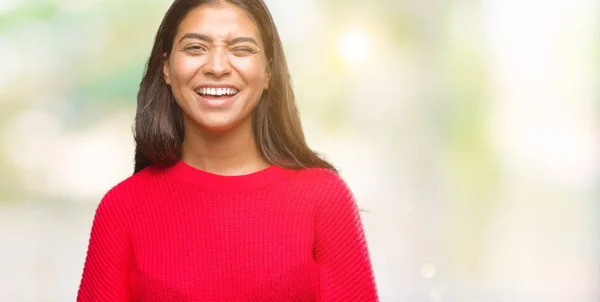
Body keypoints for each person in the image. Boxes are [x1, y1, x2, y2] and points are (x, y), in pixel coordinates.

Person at [77, 0, 379, 301]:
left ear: (268, 73)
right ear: (166, 68)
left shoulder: (324, 200)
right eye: (195, 47)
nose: (217, 67)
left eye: (241, 49)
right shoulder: (122, 209)